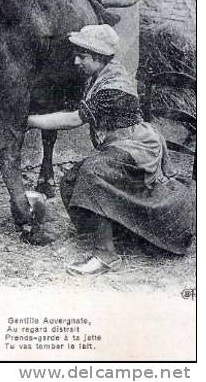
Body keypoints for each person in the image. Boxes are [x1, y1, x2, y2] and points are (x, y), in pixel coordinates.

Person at [27, 25, 194, 275]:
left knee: (92, 174)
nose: (76, 61)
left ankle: (106, 256)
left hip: (137, 147)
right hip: (119, 145)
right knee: (70, 182)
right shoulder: (100, 76)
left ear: (97, 58)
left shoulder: (112, 88)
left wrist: (27, 120)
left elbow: (73, 120)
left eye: (81, 57)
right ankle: (121, 230)